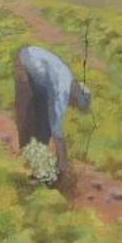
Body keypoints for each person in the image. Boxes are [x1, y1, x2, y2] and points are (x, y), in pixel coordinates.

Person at [14, 45, 92, 179]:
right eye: (75, 104)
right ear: (76, 95)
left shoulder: (66, 80)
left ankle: (35, 158)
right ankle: (28, 159)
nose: (72, 106)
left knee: (42, 122)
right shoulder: (63, 90)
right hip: (27, 64)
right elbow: (57, 129)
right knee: (28, 115)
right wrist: (63, 164)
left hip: (34, 71)